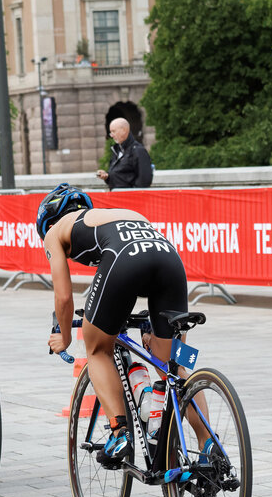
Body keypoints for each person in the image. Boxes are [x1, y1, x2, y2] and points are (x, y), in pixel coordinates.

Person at [37, 183, 210, 465]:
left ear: (48, 221)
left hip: (125, 259)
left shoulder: (55, 231)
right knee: (175, 363)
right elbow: (143, 272)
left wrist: (65, 336)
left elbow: (64, 297)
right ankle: (207, 444)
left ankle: (119, 433)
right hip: (169, 259)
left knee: (96, 348)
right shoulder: (112, 214)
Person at [96, 117, 153, 190]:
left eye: (113, 131)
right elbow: (121, 177)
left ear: (124, 130)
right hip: (117, 197)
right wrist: (107, 177)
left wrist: (131, 195)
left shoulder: (138, 150)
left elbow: (145, 179)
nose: (111, 135)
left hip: (130, 199)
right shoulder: (116, 151)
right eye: (110, 132)